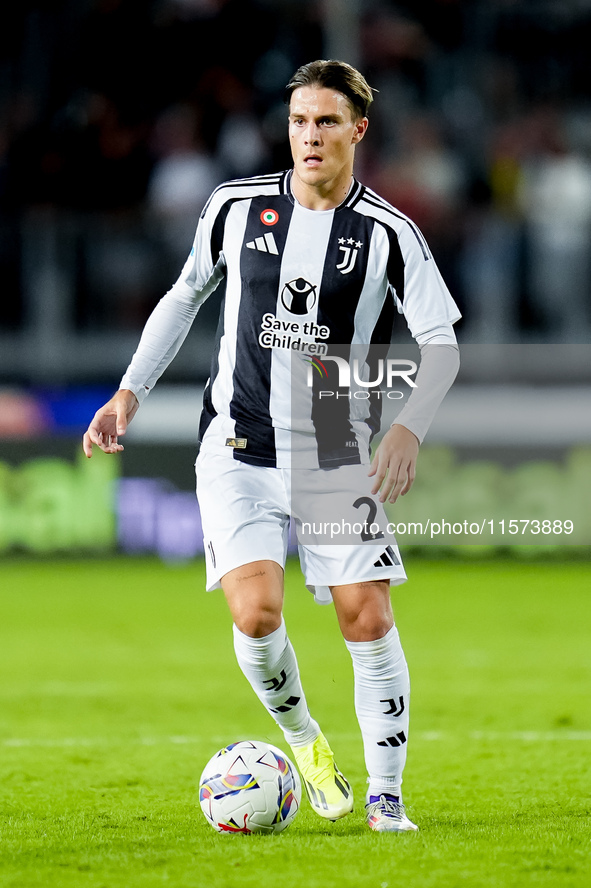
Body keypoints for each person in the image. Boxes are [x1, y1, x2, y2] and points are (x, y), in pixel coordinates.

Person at [83, 60, 461, 832]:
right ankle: (305, 743)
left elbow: (440, 342)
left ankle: (386, 797)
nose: (309, 136)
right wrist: (129, 391)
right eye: (297, 121)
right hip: (237, 440)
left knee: (365, 616)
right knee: (255, 615)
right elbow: (186, 293)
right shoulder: (234, 206)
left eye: (325, 121)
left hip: (333, 441)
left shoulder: (388, 233)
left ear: (357, 129)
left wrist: (405, 427)